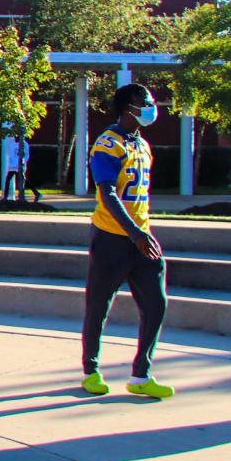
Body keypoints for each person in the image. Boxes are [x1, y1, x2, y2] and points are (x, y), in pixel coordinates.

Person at [80, 84, 173, 400]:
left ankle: (141, 374)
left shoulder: (143, 145)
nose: (149, 106)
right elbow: (107, 194)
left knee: (156, 303)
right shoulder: (108, 144)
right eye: (142, 102)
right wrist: (133, 232)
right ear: (126, 107)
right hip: (112, 238)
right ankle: (91, 370)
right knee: (99, 306)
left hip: (141, 238)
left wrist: (141, 232)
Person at [0, 126, 22, 202]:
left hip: (18, 166)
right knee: (8, 180)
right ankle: (5, 196)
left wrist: (21, 164)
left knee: (21, 180)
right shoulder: (12, 143)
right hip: (12, 167)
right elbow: (10, 154)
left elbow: (25, 155)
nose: (15, 138)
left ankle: (21, 196)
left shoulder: (22, 144)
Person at [19, 136, 43, 204]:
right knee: (21, 179)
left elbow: (26, 155)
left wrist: (22, 163)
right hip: (15, 165)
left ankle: (34, 193)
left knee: (22, 179)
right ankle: (35, 193)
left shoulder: (24, 144)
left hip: (21, 165)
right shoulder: (17, 144)